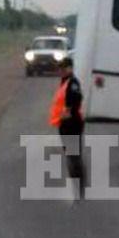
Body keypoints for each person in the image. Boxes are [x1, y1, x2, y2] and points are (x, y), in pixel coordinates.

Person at [49, 57, 85, 200]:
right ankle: (76, 187)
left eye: (63, 68)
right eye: (60, 68)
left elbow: (76, 100)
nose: (61, 71)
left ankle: (78, 189)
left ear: (70, 68)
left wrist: (68, 111)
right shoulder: (65, 82)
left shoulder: (72, 83)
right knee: (71, 157)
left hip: (72, 125)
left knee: (74, 158)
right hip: (66, 125)